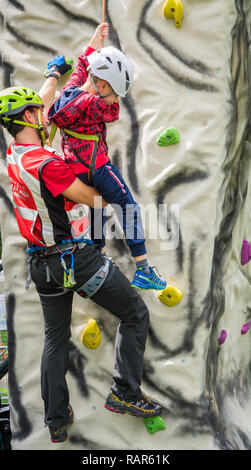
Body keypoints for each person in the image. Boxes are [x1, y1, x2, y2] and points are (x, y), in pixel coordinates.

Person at [0, 79, 162, 443]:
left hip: (41, 267)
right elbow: (92, 198)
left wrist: (55, 76)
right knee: (136, 313)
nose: (44, 116)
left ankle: (56, 419)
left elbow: (37, 106)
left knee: (54, 339)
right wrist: (102, 186)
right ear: (28, 117)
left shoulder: (15, 155)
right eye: (38, 113)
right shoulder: (48, 164)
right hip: (75, 260)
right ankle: (126, 392)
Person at [46, 23, 167, 291]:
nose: (115, 99)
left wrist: (96, 40)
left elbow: (81, 65)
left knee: (97, 208)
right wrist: (109, 95)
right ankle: (144, 269)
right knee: (128, 207)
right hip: (97, 165)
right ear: (101, 85)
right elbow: (112, 113)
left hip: (75, 167)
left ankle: (100, 257)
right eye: (114, 92)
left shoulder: (72, 92)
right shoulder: (95, 104)